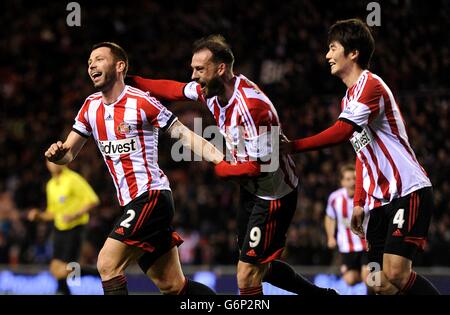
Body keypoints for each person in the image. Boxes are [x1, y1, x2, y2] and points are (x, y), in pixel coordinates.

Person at [127, 35, 337, 295]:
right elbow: (175, 89)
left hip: (273, 194)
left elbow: (261, 166)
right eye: (193, 69)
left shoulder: (252, 107)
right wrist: (131, 81)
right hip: (251, 190)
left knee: (247, 275)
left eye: (199, 69)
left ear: (221, 68)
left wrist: (223, 168)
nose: (193, 76)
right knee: (260, 266)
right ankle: (323, 296)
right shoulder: (211, 91)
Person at [44, 42, 224, 295]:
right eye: (89, 62)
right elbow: (69, 154)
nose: (91, 65)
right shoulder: (90, 106)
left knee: (107, 264)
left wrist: (223, 160)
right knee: (172, 285)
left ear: (120, 66)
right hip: (132, 203)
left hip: (151, 196)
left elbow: (184, 135)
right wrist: (58, 154)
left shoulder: (141, 101)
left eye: (98, 59)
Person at [283, 19, 439, 295]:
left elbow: (342, 132)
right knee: (377, 282)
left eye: (332, 48)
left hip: (407, 189)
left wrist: (293, 146)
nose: (327, 56)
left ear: (353, 52)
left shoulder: (371, 86)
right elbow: (361, 151)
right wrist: (358, 201)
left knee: (396, 272)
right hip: (378, 201)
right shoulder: (348, 99)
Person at [27, 160, 100, 295]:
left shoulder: (73, 179)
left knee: (65, 269)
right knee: (55, 268)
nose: (53, 164)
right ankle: (64, 291)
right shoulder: (50, 185)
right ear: (47, 165)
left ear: (63, 163)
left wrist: (75, 215)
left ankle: (99, 274)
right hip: (59, 229)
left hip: (75, 228)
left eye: (56, 161)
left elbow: (93, 200)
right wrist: (39, 216)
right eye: (50, 162)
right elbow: (52, 213)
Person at [324, 163, 370, 290]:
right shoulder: (335, 198)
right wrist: (330, 237)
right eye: (348, 179)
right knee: (350, 280)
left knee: (369, 279)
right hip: (347, 247)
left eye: (355, 179)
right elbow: (329, 217)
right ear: (342, 182)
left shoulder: (366, 196)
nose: (352, 182)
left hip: (366, 245)